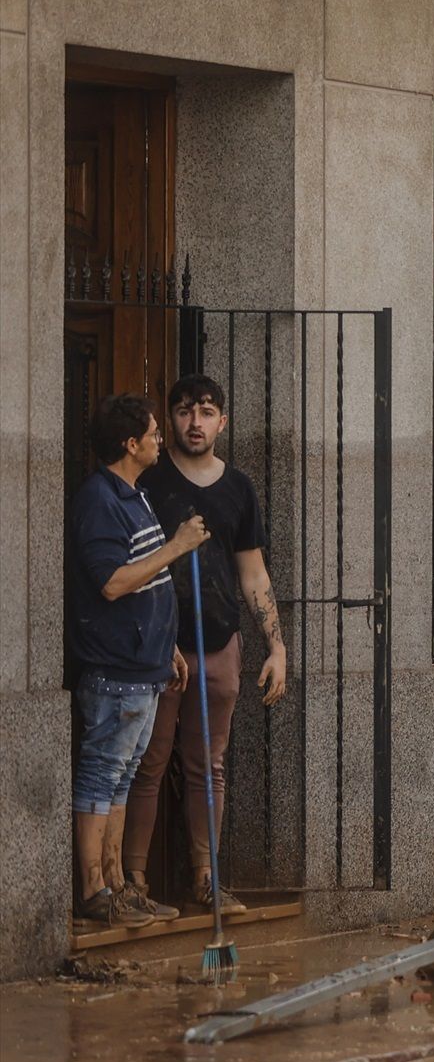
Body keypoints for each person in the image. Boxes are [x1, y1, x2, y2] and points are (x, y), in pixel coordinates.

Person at [125, 375, 288, 916]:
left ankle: (206, 878)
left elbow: (254, 575)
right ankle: (134, 882)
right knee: (148, 761)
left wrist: (276, 646)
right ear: (169, 419)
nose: (195, 422)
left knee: (209, 766)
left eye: (207, 412)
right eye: (184, 411)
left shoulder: (239, 489)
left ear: (223, 421)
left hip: (219, 645)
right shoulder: (150, 483)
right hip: (159, 647)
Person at [67, 394, 207, 928]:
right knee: (103, 773)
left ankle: (118, 885)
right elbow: (112, 583)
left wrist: (166, 645)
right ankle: (93, 890)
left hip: (144, 667)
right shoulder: (100, 499)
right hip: (114, 672)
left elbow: (146, 579)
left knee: (122, 775)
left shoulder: (134, 495)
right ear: (131, 444)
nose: (159, 439)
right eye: (152, 433)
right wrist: (177, 546)